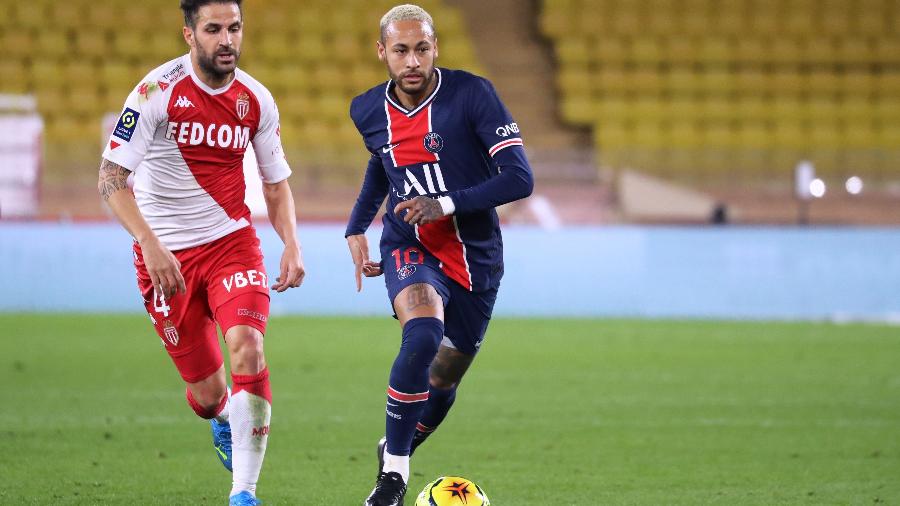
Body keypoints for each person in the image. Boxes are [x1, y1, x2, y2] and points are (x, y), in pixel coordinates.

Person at [96, 1, 305, 504]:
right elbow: (110, 178)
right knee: (209, 396)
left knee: (249, 347)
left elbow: (275, 185)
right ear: (189, 35)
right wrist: (149, 243)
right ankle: (223, 414)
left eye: (234, 28)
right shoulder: (155, 92)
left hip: (232, 243)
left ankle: (243, 493)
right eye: (213, 29)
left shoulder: (256, 99)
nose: (226, 39)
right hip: (166, 258)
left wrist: (291, 244)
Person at [345, 4, 534, 505]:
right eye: (401, 50)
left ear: (436, 50)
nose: (412, 61)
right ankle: (394, 477)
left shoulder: (473, 95)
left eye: (422, 49)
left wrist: (444, 204)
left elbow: (520, 178)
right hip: (409, 243)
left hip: (475, 255)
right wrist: (356, 225)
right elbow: (381, 166)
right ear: (382, 51)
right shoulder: (367, 109)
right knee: (424, 332)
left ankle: (395, 445)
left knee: (445, 377)